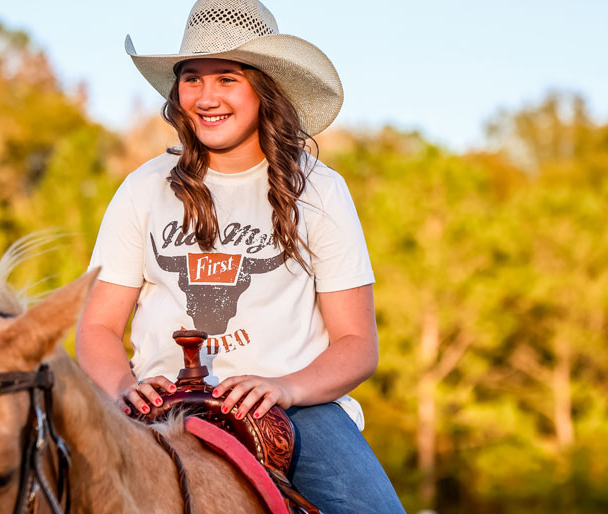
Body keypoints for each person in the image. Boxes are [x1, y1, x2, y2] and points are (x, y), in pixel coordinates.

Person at [76, 1, 404, 511]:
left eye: (226, 78)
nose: (206, 97)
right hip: (161, 405)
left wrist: (286, 387)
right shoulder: (143, 188)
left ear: (263, 87)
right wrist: (123, 387)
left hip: (295, 410)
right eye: (192, 78)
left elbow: (357, 344)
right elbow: (97, 326)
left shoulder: (318, 189)